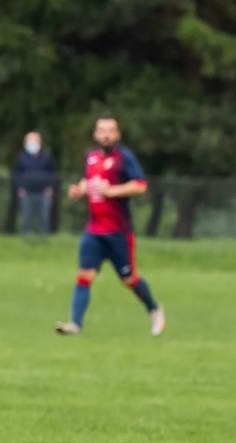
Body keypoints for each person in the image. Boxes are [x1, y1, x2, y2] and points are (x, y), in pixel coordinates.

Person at [56, 115, 165, 336]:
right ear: (96, 135)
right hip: (94, 231)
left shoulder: (124, 158)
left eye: (110, 131)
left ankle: (154, 309)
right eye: (102, 130)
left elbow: (140, 185)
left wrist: (112, 191)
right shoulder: (91, 158)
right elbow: (89, 181)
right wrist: (79, 190)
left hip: (119, 233)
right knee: (85, 275)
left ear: (117, 135)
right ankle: (75, 324)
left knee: (129, 279)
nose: (106, 135)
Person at [11, 131, 58, 236]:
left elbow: (53, 173)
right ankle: (26, 236)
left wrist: (50, 187)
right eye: (29, 141)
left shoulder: (47, 156)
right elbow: (16, 174)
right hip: (26, 192)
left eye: (34, 140)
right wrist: (19, 188)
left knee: (44, 216)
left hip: (44, 192)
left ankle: (44, 237)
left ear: (40, 142)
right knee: (26, 216)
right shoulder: (21, 157)